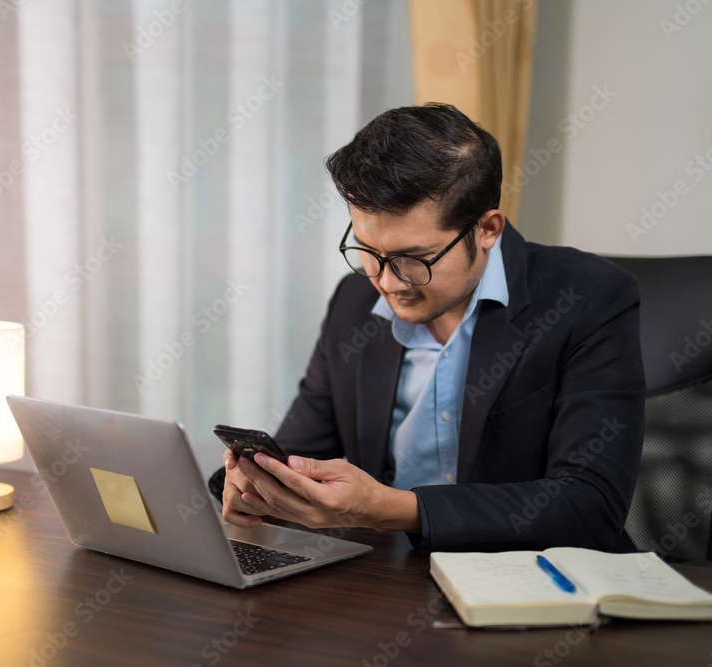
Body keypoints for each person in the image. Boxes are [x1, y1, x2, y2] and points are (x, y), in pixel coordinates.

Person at [217, 103, 645, 553]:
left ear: (487, 230)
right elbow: (300, 450)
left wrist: (390, 509)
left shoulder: (589, 298)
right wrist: (254, 485)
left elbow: (590, 507)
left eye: (414, 258)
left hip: (538, 587)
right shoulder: (354, 301)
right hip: (390, 583)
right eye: (367, 250)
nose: (386, 281)